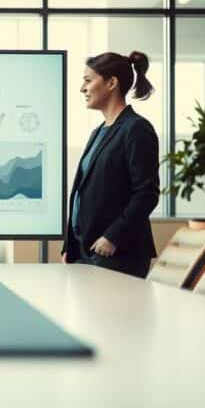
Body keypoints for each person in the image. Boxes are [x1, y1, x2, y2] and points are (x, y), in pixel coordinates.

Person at [63, 51, 159, 278]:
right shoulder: (98, 132)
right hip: (86, 250)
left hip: (116, 253)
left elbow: (147, 193)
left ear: (112, 83)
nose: (82, 89)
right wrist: (70, 246)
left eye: (88, 80)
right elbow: (83, 191)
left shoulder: (136, 129)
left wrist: (113, 237)